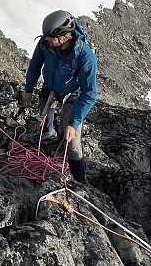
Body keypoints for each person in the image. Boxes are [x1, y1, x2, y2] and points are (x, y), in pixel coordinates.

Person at [21, 10, 97, 183]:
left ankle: (79, 180)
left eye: (50, 37)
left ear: (65, 37)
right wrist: (28, 88)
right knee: (44, 111)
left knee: (73, 144)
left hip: (73, 94)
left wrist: (73, 122)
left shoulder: (85, 57)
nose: (45, 40)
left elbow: (89, 93)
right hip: (51, 86)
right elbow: (35, 65)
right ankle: (48, 132)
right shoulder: (45, 44)